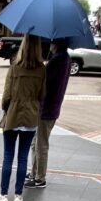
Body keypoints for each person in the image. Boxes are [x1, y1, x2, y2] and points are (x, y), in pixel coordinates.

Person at [0, 34, 45, 201]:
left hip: (13, 115)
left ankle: (3, 194)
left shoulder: (15, 68)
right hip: (30, 116)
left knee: (8, 156)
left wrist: (6, 108)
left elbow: (7, 95)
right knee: (23, 157)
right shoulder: (41, 69)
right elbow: (42, 95)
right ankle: (18, 194)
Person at [24, 39, 71, 190]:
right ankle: (35, 173)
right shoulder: (65, 58)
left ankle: (39, 177)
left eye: (52, 43)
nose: (50, 45)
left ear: (57, 44)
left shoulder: (58, 60)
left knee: (40, 144)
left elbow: (45, 83)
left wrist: (44, 69)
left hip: (47, 108)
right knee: (36, 142)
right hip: (51, 107)